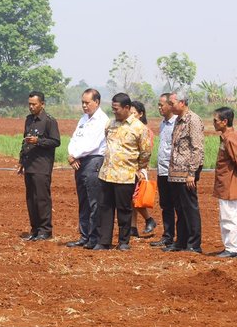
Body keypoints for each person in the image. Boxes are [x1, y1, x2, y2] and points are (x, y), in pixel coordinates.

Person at [93, 93, 151, 251]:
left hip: (126, 175)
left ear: (127, 108)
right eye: (112, 109)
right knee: (104, 208)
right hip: (106, 174)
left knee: (124, 210)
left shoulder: (139, 128)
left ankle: (123, 241)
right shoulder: (109, 124)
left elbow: (145, 152)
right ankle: (104, 241)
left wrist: (139, 168)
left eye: (116, 109)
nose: (114, 112)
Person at [66, 89, 109, 249]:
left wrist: (74, 155)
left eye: (87, 102)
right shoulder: (83, 119)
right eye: (82, 102)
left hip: (94, 161)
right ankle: (84, 236)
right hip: (79, 161)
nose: (84, 105)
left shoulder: (102, 120)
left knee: (94, 202)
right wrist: (71, 154)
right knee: (83, 201)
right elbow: (74, 138)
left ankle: (94, 238)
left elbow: (92, 144)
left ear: (96, 102)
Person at [163, 90, 204, 253]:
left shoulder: (192, 120)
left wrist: (192, 172)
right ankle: (181, 241)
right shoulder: (178, 120)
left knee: (190, 208)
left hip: (187, 172)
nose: (170, 106)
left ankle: (194, 244)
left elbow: (197, 148)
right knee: (179, 208)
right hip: (174, 172)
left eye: (172, 103)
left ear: (182, 103)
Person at [17, 91, 61, 241]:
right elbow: (25, 141)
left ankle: (45, 230)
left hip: (42, 166)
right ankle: (35, 229)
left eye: (34, 104)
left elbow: (56, 141)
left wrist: (38, 141)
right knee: (31, 199)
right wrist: (21, 161)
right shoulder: (29, 120)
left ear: (42, 104)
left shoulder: (49, 121)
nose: (31, 107)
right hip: (29, 164)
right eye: (29, 104)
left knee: (42, 198)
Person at [212, 107, 237, 258]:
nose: (213, 123)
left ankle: (233, 249)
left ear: (224, 121)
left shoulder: (230, 138)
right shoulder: (227, 137)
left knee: (229, 216)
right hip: (225, 182)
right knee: (226, 216)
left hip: (229, 183)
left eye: (216, 120)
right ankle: (230, 247)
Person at [150, 93, 179, 247]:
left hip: (174, 171)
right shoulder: (163, 124)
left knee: (178, 206)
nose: (159, 107)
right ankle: (167, 236)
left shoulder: (177, 123)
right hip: (162, 170)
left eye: (162, 105)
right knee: (166, 205)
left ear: (170, 105)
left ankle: (180, 238)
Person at [129, 100, 157, 238]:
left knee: (136, 198)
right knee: (131, 199)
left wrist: (141, 169)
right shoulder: (128, 129)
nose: (131, 116)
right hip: (130, 168)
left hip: (140, 168)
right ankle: (133, 227)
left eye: (134, 113)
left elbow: (146, 152)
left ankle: (148, 219)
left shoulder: (145, 131)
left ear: (140, 114)